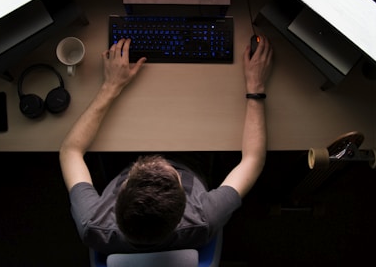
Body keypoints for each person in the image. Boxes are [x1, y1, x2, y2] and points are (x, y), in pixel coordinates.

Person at [59, 36, 273, 254]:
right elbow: (253, 159)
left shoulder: (92, 224)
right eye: (173, 176)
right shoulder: (204, 217)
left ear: (120, 192)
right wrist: (256, 86)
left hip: (120, 160)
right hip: (193, 160)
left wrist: (110, 85)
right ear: (184, 204)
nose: (160, 158)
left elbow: (70, 151)